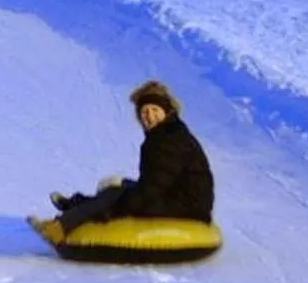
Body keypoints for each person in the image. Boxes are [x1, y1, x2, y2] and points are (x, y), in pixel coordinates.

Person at [49, 81, 214, 233]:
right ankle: (75, 206)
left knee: (116, 194)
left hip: (187, 205)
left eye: (155, 110)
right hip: (178, 197)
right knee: (119, 186)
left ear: (166, 111)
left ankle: (63, 225)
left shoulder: (168, 139)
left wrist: (122, 205)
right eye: (144, 112)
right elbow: (155, 182)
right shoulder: (165, 134)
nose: (149, 116)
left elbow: (155, 185)